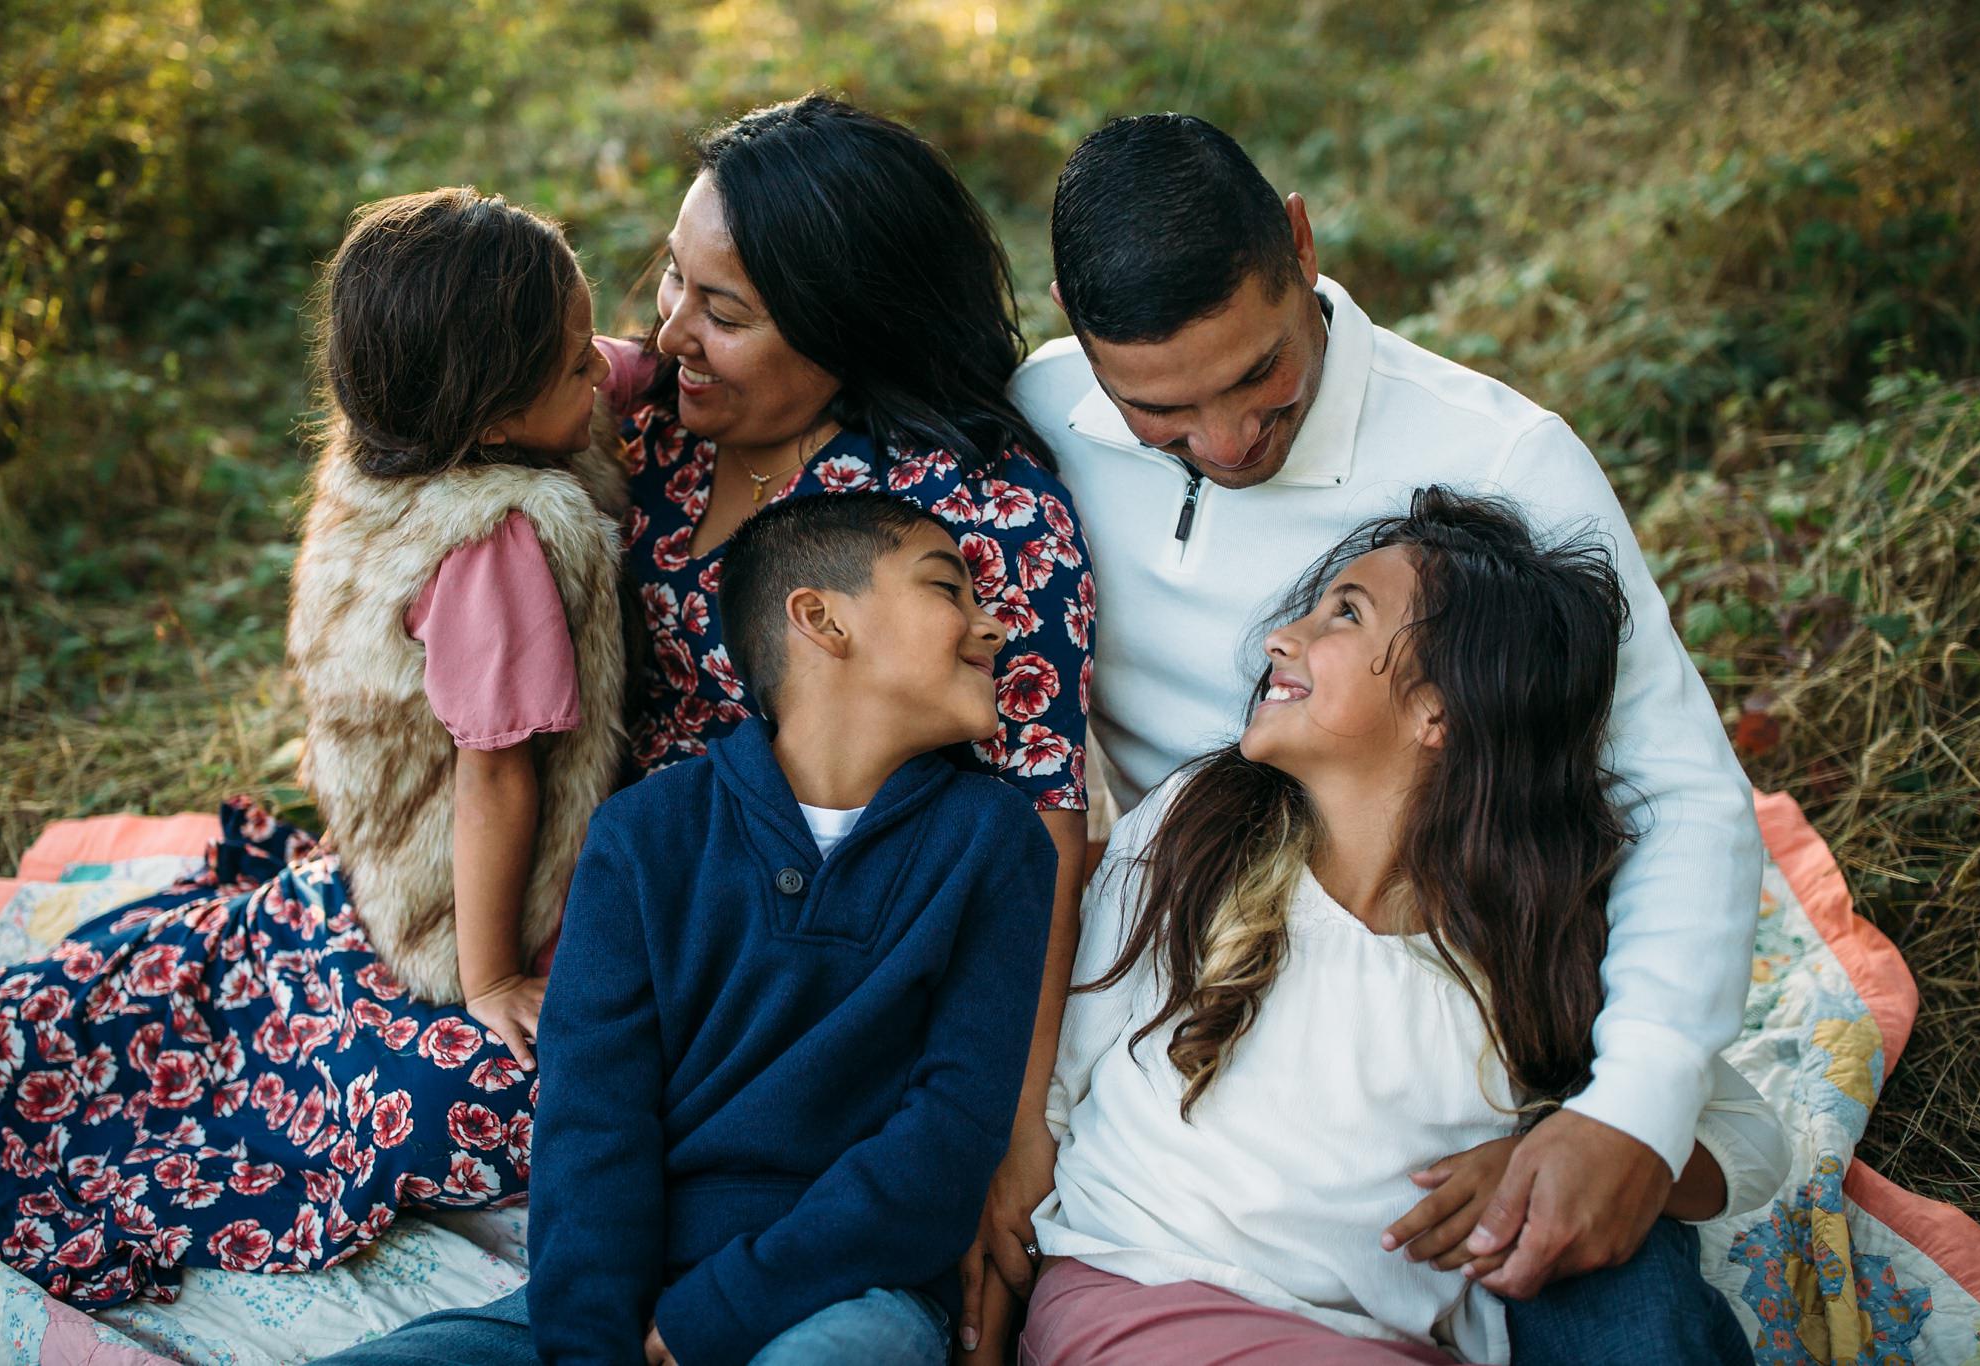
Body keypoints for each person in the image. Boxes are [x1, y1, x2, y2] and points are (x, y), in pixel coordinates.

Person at [969, 113, 1766, 1360]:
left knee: (1632, 1318)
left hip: (1478, 988)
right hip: (1206, 957)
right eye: (1161, 414)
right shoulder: (1037, 414)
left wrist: (1631, 1114)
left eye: (1257, 379)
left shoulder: (1500, 459)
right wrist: (1022, 1117)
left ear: (1297, 243)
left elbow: (1678, 799)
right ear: (1074, 323)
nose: (1226, 445)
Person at [0, 187, 631, 1304]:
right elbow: (495, 775)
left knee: (207, 976)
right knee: (490, 1099)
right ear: (493, 416)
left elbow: (611, 360)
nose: (604, 373)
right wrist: (493, 972)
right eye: (574, 368)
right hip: (464, 900)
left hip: (376, 858)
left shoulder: (399, 443)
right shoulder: (499, 547)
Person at [1018, 489, 1786, 1364]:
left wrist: (1541, 1156)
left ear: (1441, 710)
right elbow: (1067, 1072)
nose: (1282, 638)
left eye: (1344, 613)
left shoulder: (1524, 935)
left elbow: (1750, 1144)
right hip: (1147, 1290)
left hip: (1386, 1341)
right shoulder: (1198, 827)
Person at [317, 492, 1058, 1366]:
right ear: (821, 620)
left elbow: (947, 1140)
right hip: (629, 1289)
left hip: (850, 1295)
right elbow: (593, 1125)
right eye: (949, 591)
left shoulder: (994, 840)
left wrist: (720, 1312)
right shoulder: (645, 835)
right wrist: (598, 1346)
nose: (993, 628)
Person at [595, 94, 1095, 1277]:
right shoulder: (654, 426)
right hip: (632, 895)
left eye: (723, 312)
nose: (672, 333)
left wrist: (1015, 1129)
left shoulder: (970, 519)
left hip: (805, 956)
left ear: (846, 328)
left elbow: (1043, 818)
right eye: (671, 281)